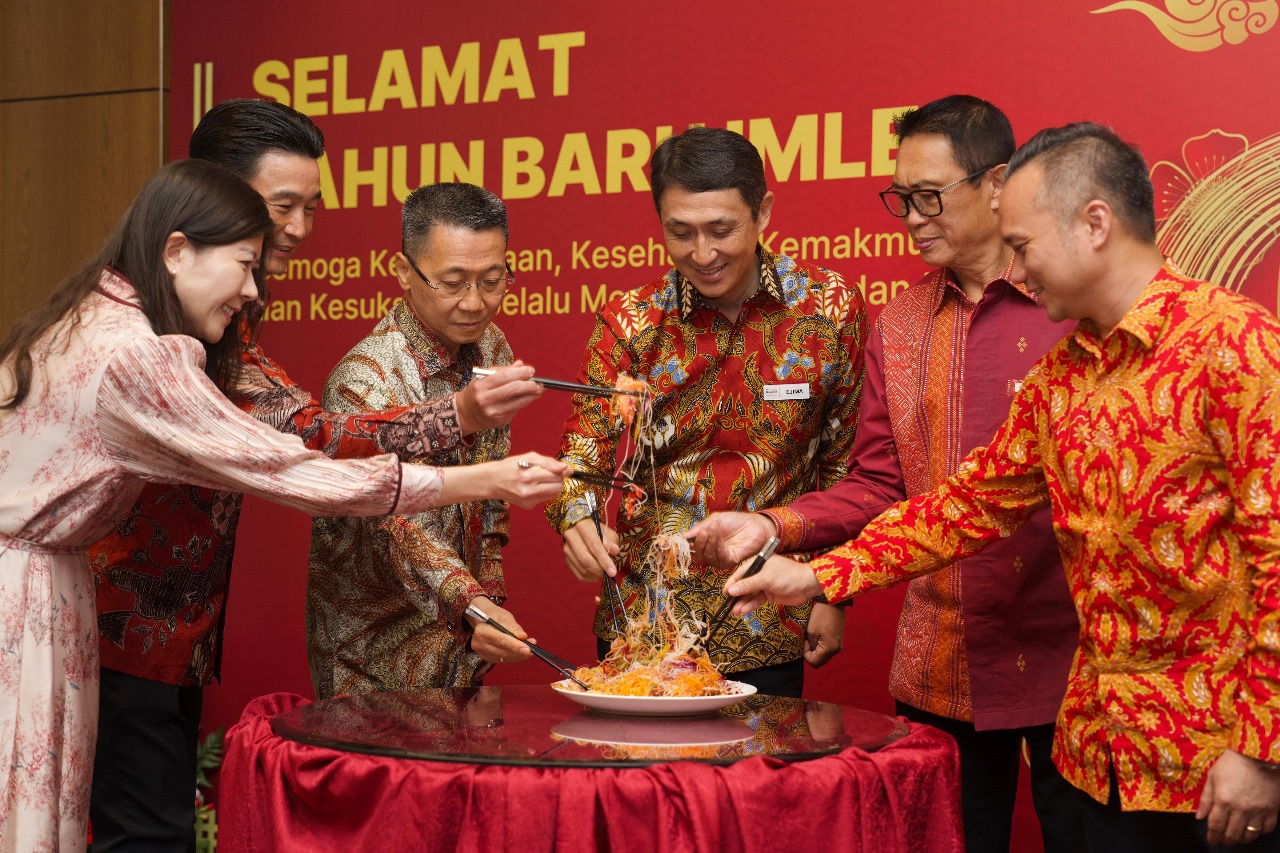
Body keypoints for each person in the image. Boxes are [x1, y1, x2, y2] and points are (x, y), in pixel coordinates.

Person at [720, 122, 1280, 851]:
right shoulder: (1063, 378)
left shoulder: (1237, 347)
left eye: (1022, 245)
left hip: (1214, 767)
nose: (1016, 266)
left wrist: (1263, 746)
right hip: (1097, 760)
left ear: (1096, 223)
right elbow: (968, 507)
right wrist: (816, 573)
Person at [0, 158, 566, 851]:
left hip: (58, 593)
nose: (251, 289)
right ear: (176, 250)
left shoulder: (98, 312)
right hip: (38, 600)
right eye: (244, 263)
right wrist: (484, 480)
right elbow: (301, 468)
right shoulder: (137, 355)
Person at [687, 96, 1081, 853]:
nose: (910, 215)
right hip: (945, 657)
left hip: (1080, 656)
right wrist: (774, 526)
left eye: (928, 195)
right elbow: (877, 485)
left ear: (997, 184)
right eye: (900, 197)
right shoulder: (899, 323)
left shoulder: (1072, 302)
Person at [543, 126, 867, 698]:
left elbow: (846, 468)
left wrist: (832, 590)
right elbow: (581, 452)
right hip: (643, 622)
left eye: (722, 230)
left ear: (763, 211)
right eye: (680, 232)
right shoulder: (633, 321)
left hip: (769, 615)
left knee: (756, 786)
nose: (703, 254)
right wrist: (576, 515)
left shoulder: (829, 310)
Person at [306, 182, 541, 697]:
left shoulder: (491, 347)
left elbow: (490, 500)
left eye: (493, 279)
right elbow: (396, 527)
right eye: (453, 282)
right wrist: (475, 605)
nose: (475, 303)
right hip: (372, 655)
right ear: (403, 274)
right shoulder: (365, 379)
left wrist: (488, 602)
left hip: (463, 642)